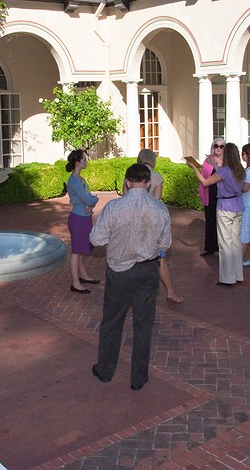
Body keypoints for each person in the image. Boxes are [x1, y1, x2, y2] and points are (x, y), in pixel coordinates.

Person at [90, 163, 172, 391]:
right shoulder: (160, 208)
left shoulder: (114, 207)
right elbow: (165, 244)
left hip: (119, 272)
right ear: (148, 183)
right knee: (143, 325)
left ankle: (105, 371)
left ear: (127, 182)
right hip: (147, 271)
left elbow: (96, 239)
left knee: (112, 323)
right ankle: (138, 378)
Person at [124, 149, 184, 305]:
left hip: (132, 219)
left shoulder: (131, 174)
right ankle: (170, 292)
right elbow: (156, 202)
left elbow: (125, 198)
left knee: (131, 256)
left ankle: (131, 291)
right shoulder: (156, 177)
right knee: (159, 257)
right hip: (150, 222)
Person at [189, 143, 250, 285]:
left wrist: (194, 168)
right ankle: (237, 274)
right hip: (238, 205)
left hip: (225, 206)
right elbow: (224, 176)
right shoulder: (240, 170)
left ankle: (227, 278)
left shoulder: (224, 171)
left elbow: (205, 182)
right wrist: (213, 164)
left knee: (225, 243)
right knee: (235, 242)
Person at [65, 149, 100, 294]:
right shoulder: (74, 181)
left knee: (80, 250)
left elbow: (88, 197)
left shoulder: (81, 179)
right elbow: (88, 198)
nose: (86, 161)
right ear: (77, 162)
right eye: (84, 159)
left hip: (84, 218)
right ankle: (75, 283)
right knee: (76, 251)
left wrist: (91, 204)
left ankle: (83, 276)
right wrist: (94, 200)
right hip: (78, 220)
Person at [198, 138, 225, 256]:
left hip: (222, 195)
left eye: (221, 146)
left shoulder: (227, 161)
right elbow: (203, 177)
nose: (218, 148)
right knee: (210, 220)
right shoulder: (207, 160)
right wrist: (201, 194)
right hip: (209, 193)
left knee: (221, 221)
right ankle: (210, 248)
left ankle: (221, 248)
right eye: (216, 146)